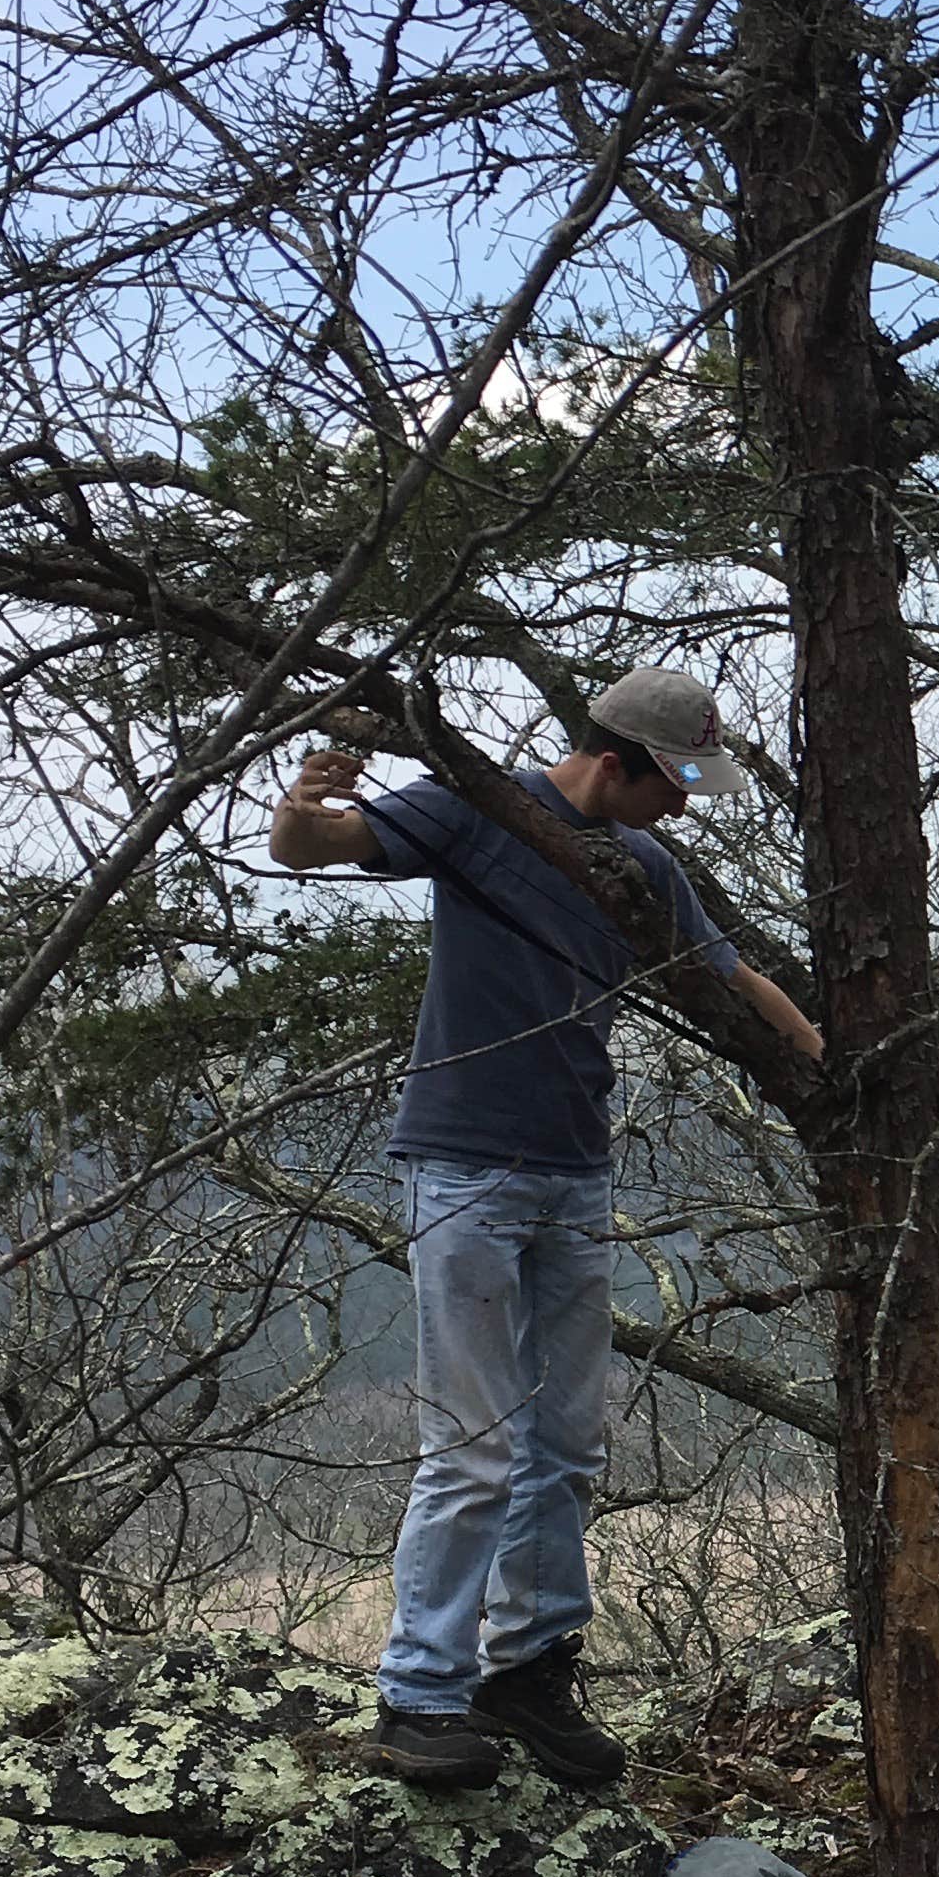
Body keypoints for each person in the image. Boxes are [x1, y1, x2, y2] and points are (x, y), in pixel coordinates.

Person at [269, 667, 820, 1791]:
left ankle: (529, 1668)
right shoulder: (478, 806)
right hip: (465, 1165)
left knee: (564, 1446)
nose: (681, 806)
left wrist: (830, 1064)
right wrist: (305, 791)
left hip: (575, 1171)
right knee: (471, 1445)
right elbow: (309, 848)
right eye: (671, 784)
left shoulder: (641, 865)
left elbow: (728, 971)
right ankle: (419, 1695)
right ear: (615, 759)